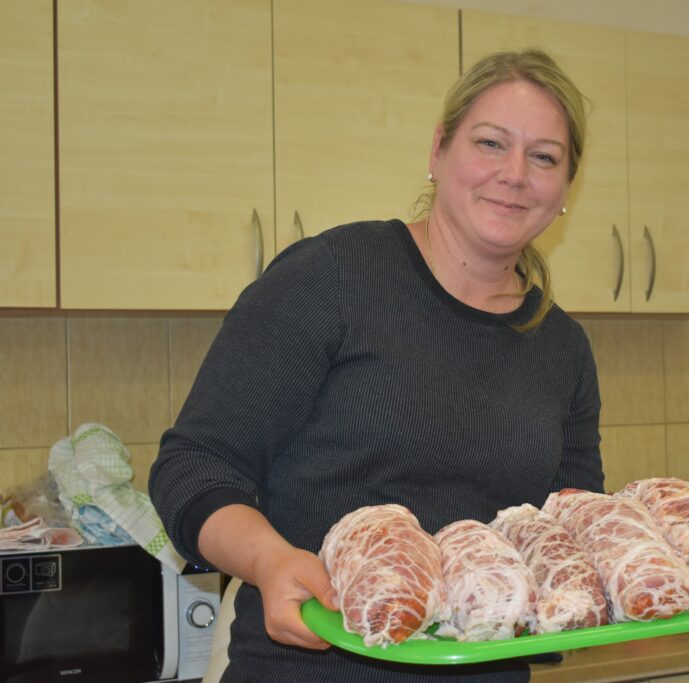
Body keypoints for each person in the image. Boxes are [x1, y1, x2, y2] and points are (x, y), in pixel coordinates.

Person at [149, 49, 604, 683]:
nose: (514, 174)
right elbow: (194, 466)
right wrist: (269, 561)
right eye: (491, 143)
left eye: (545, 157)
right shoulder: (330, 278)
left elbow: (569, 529)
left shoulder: (561, 346)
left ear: (565, 190)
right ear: (438, 150)